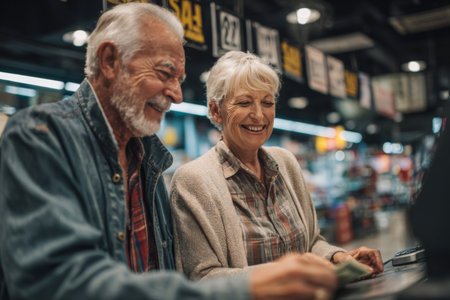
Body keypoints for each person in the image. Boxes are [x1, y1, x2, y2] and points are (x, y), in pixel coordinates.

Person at [0, 3, 339, 300]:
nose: (177, 94)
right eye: (165, 73)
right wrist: (247, 287)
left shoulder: (149, 159)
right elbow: (59, 284)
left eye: (179, 78)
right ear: (109, 61)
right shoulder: (41, 137)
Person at [170, 51, 384, 281]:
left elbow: (312, 243)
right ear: (215, 110)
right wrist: (284, 274)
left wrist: (338, 257)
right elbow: (201, 278)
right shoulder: (192, 181)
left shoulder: (285, 163)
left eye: (267, 102)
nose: (259, 115)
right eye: (244, 102)